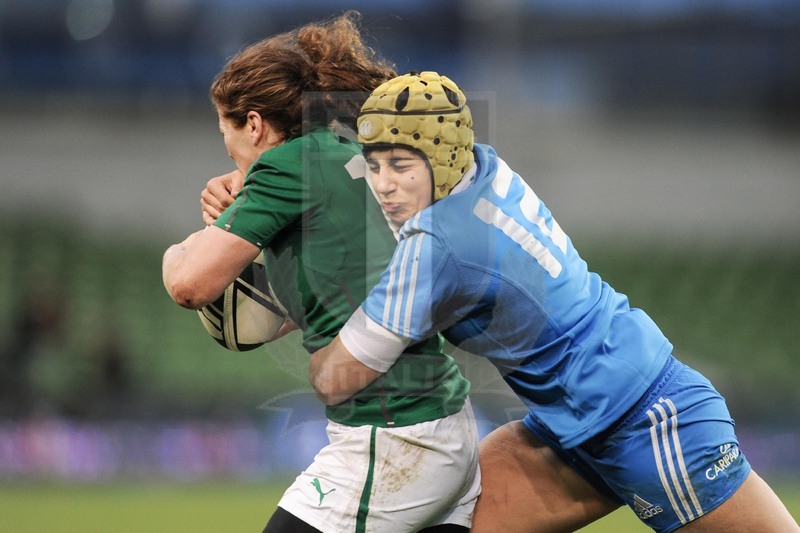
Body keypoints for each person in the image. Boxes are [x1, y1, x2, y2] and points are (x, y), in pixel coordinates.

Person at [307, 71, 800, 532]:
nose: (383, 184)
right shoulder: (483, 164)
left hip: (651, 424)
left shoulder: (440, 245)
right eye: (373, 165)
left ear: (438, 160)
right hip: (572, 424)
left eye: (399, 165)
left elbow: (336, 378)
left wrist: (289, 294)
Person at [162, 17, 480, 533]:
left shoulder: (288, 165)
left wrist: (179, 250)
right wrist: (244, 196)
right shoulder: (345, 154)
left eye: (225, 130)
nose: (226, 146)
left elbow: (190, 285)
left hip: (394, 433)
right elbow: (335, 293)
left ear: (255, 123)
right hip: (438, 422)